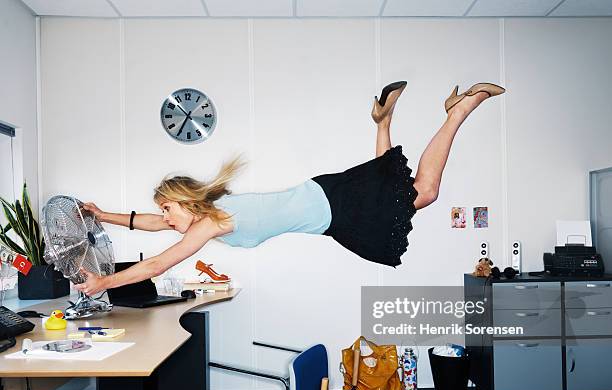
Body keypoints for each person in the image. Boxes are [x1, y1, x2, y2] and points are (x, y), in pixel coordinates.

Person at [76, 81, 505, 296]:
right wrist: (103, 215)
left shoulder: (208, 223)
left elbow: (156, 265)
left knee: (421, 193)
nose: (166, 218)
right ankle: (382, 122)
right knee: (390, 182)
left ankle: (457, 112)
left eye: (168, 209)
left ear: (184, 202)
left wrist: (104, 284)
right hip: (331, 208)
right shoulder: (209, 214)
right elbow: (149, 224)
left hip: (335, 205)